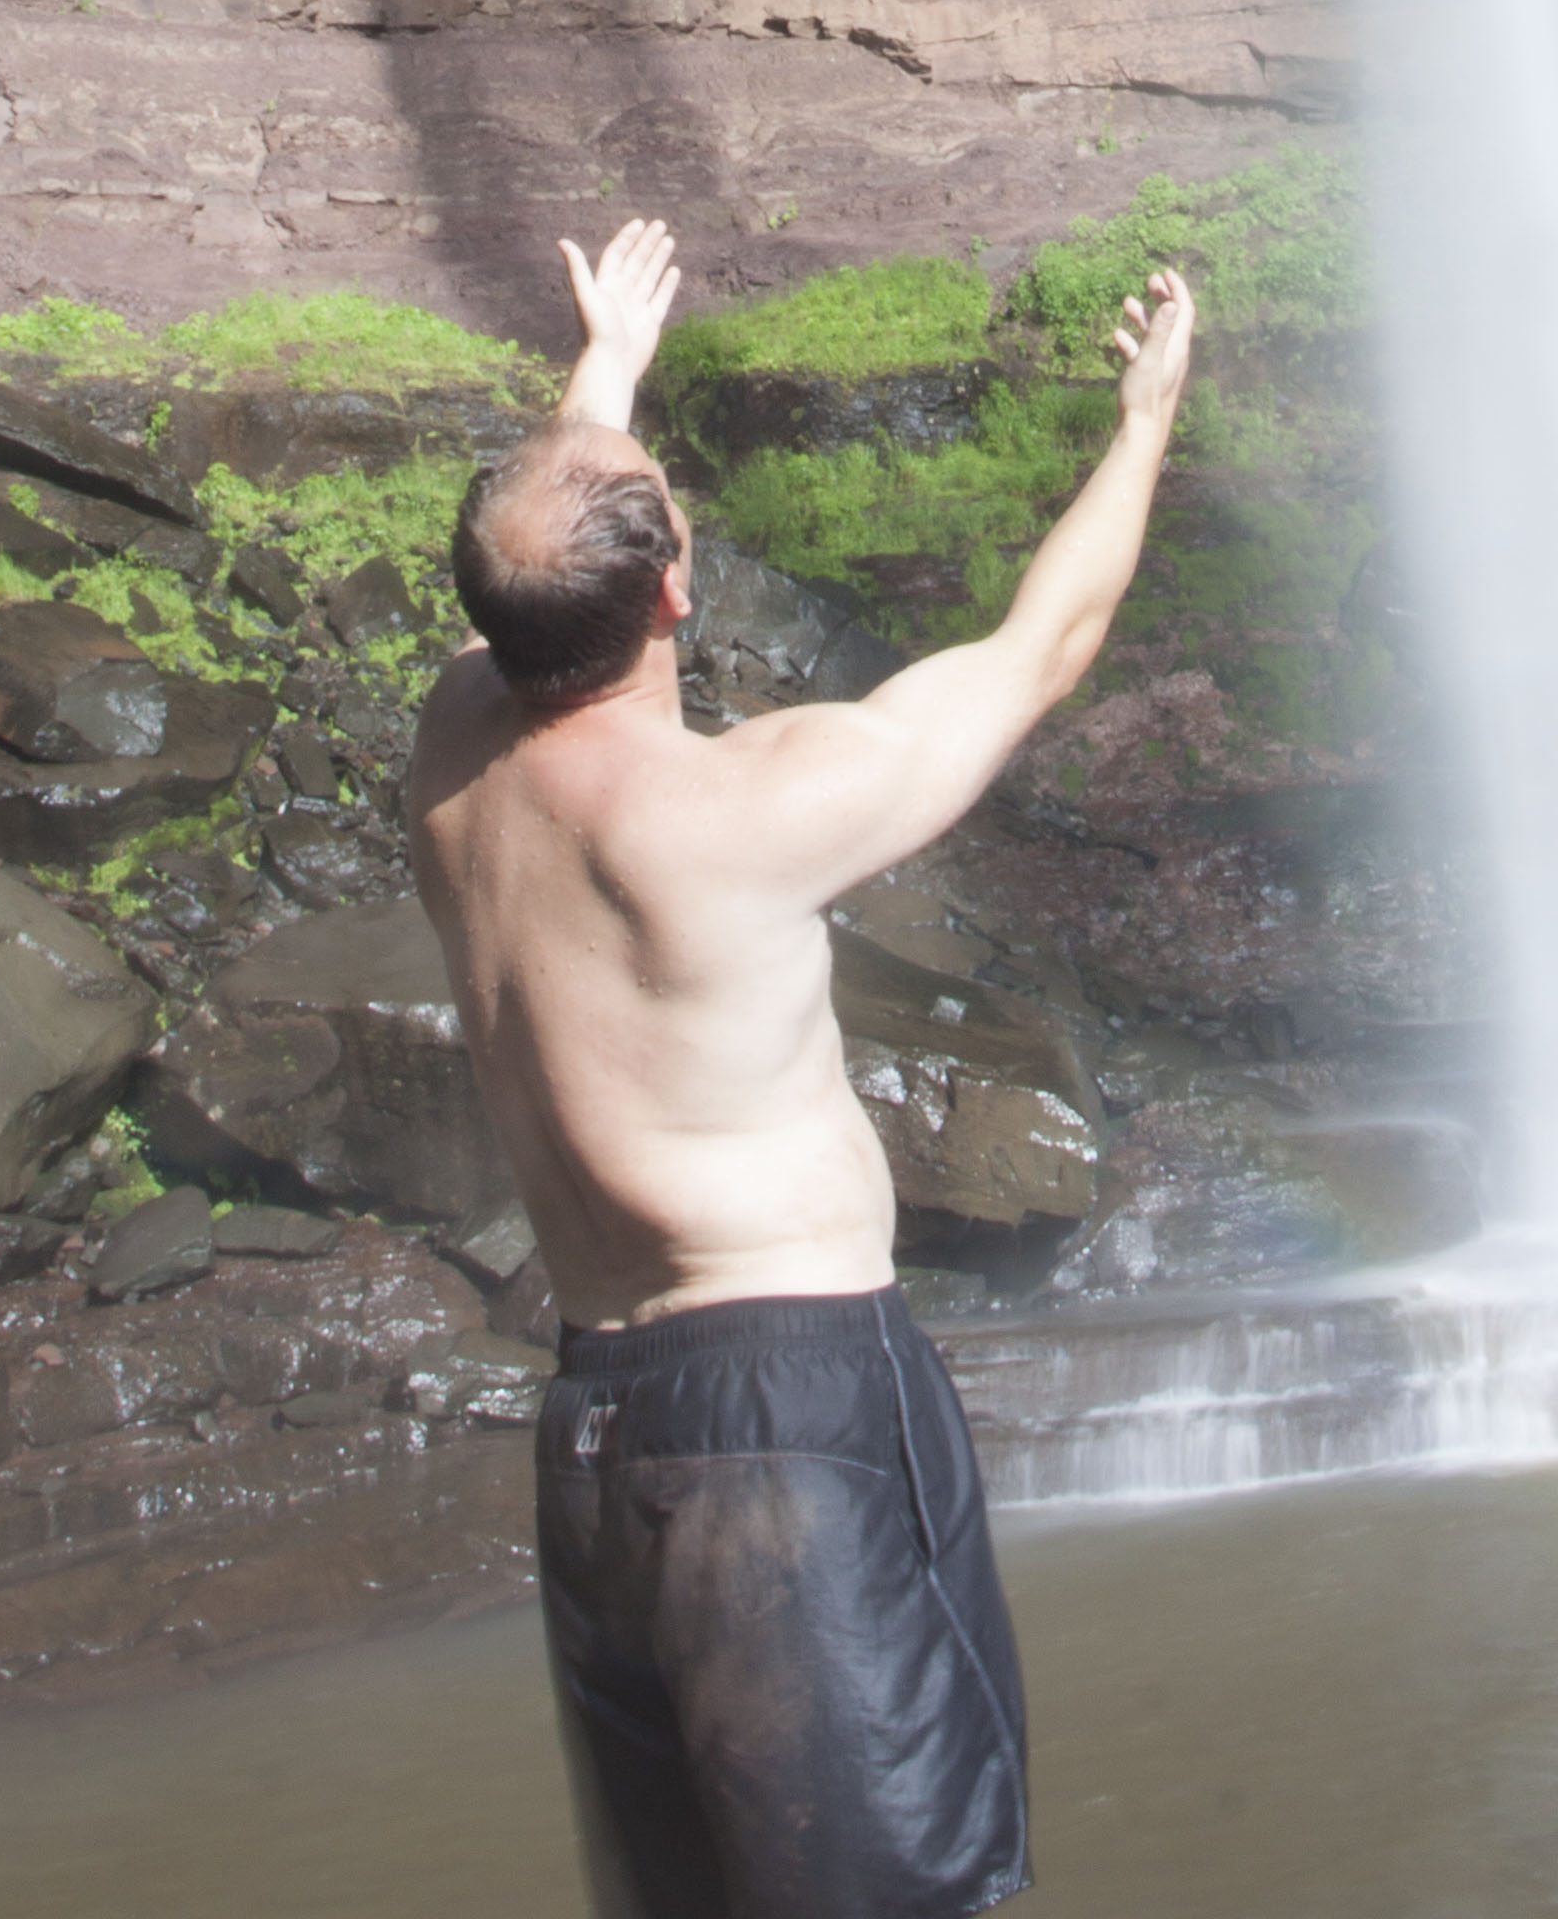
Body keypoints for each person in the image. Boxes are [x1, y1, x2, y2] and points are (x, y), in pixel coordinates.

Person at [407, 207, 1199, 1919]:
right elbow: (1040, 651)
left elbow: (540, 547)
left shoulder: (452, 749)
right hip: (785, 1414)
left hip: (597, 1434)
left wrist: (606, 368)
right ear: (674, 591)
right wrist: (1145, 423)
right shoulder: (734, 813)